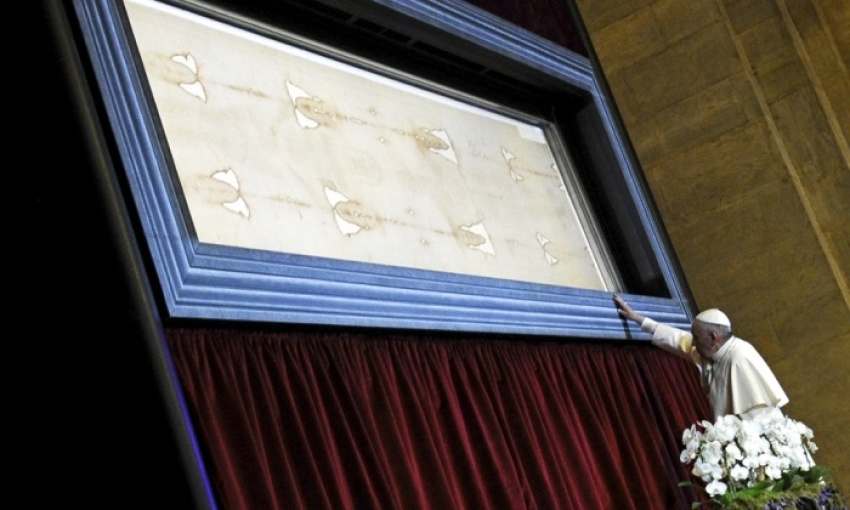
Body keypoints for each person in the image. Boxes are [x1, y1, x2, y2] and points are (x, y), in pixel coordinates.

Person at [613, 295, 788, 420]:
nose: (694, 343)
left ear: (713, 337)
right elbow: (677, 339)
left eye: (696, 337)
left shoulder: (739, 357)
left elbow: (757, 414)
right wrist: (638, 319)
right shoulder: (707, 350)